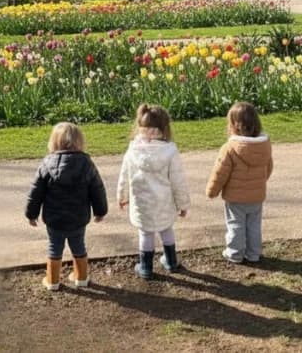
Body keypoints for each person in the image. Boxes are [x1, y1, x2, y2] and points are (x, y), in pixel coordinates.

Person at [26, 122, 108, 291]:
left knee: (54, 247)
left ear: (54, 142)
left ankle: (52, 281)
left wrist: (31, 214)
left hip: (54, 219)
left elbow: (36, 192)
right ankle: (81, 278)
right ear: (80, 142)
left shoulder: (47, 163)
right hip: (78, 218)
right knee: (79, 245)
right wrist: (100, 211)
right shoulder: (87, 163)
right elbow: (97, 189)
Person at [117, 104, 190, 279]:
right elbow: (178, 181)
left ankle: (145, 267)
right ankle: (171, 261)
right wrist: (183, 204)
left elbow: (124, 176)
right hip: (164, 203)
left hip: (142, 204)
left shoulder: (133, 150)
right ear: (164, 128)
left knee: (145, 233)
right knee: (166, 229)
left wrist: (122, 196)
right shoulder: (170, 151)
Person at [206, 101, 273, 265]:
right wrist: (259, 182)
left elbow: (220, 173)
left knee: (236, 224)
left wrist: (212, 191)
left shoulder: (229, 148)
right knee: (254, 225)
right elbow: (269, 167)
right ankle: (254, 253)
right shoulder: (264, 146)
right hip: (256, 195)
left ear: (234, 125)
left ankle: (235, 253)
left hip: (235, 197)